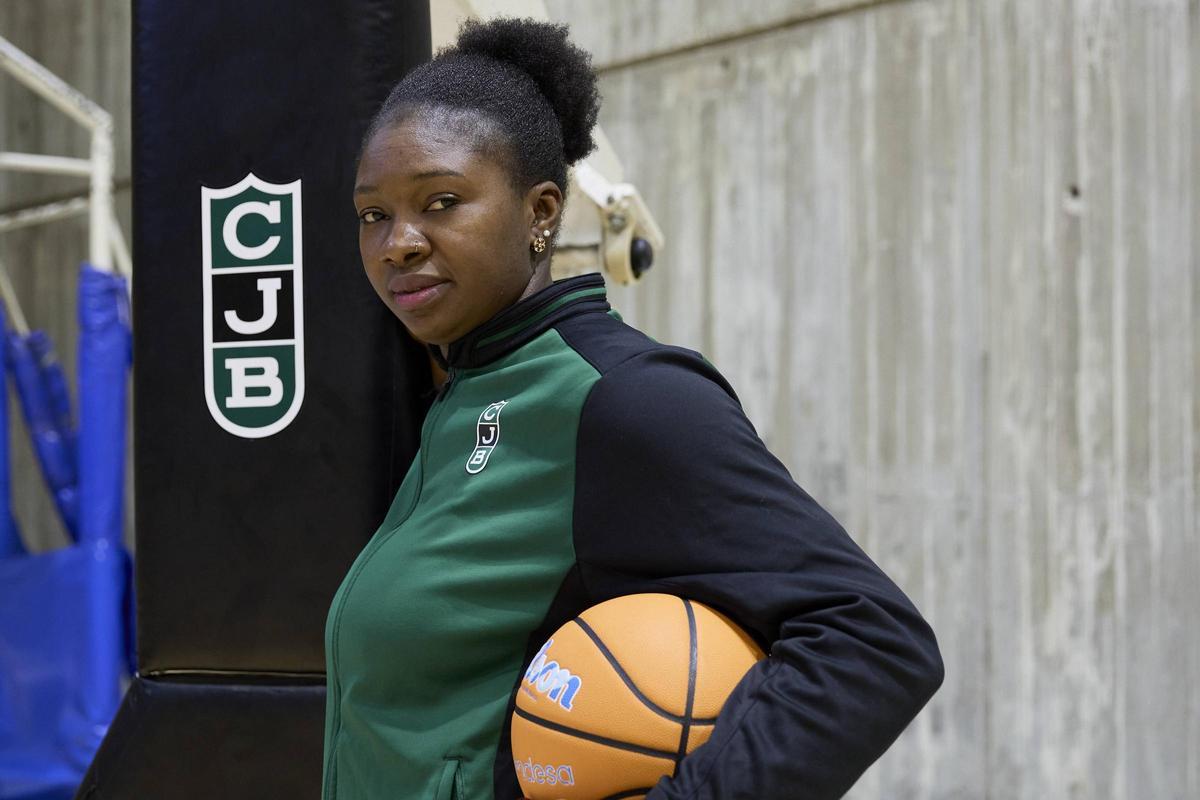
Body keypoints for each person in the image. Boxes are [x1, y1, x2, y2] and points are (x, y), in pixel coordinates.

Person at [324, 16, 943, 800]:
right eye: (372, 214)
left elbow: (873, 639)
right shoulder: (465, 395)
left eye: (441, 201)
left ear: (541, 212)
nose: (396, 243)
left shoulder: (623, 400)